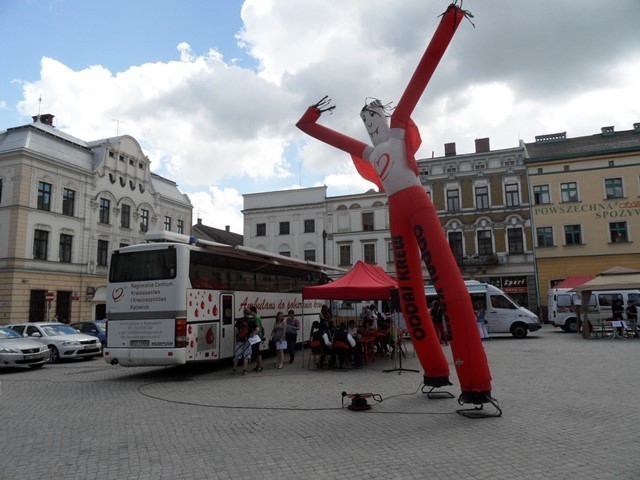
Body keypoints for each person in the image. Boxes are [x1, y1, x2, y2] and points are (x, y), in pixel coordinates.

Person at [232, 308, 256, 375]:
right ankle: (245, 370)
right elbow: (257, 329)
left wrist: (236, 338)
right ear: (249, 313)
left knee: (237, 355)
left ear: (243, 312)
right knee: (246, 356)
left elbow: (236, 330)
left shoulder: (239, 320)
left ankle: (234, 369)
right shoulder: (251, 321)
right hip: (248, 340)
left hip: (240, 340)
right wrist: (253, 334)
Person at [249, 306, 264, 372]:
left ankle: (260, 366)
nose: (250, 313)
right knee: (255, 352)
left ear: (253, 311)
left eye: (250, 311)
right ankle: (258, 365)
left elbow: (258, 328)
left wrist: (254, 334)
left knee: (257, 351)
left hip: (257, 337)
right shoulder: (255, 318)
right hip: (256, 337)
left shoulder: (256, 318)